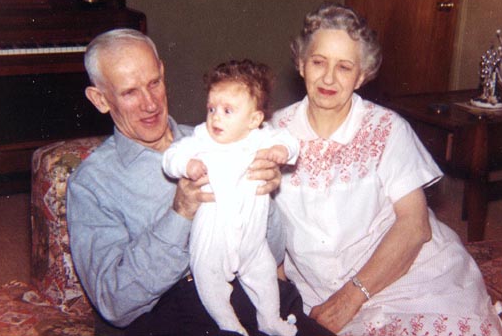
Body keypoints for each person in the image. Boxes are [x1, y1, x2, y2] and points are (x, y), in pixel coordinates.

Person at [269, 3, 502, 336]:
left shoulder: (387, 129)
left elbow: (414, 226)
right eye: (319, 62)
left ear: (362, 75)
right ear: (302, 64)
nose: (329, 78)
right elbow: (264, 226)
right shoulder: (272, 133)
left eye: (345, 67)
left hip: (400, 274)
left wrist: (351, 298)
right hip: (314, 287)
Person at [66, 28, 335, 336]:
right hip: (173, 312)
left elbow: (271, 254)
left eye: (154, 83)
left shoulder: (221, 138)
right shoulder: (92, 183)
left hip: (252, 293)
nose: (150, 103)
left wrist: (263, 195)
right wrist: (179, 214)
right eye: (130, 92)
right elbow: (114, 302)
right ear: (100, 99)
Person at [162, 60, 300, 336]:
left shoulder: (261, 139)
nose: (216, 117)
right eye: (211, 108)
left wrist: (281, 152)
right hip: (212, 243)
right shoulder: (202, 140)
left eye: (227, 111)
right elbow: (171, 156)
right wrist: (186, 166)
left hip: (252, 242)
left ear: (254, 119)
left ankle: (270, 319)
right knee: (210, 285)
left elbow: (290, 141)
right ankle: (229, 325)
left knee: (265, 278)